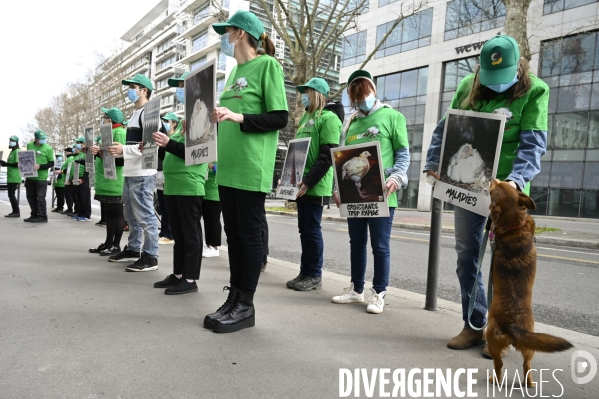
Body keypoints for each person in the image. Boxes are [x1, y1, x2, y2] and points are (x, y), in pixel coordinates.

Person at [423, 35, 549, 357]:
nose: (493, 86)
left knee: (506, 265)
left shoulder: (535, 91)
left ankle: (501, 330)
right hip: (469, 186)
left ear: (517, 68)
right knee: (467, 254)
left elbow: (532, 146)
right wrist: (432, 164)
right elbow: (444, 129)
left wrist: (516, 182)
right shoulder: (468, 84)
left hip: (508, 193)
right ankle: (475, 324)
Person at [205, 10, 288, 333]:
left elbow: (279, 117)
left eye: (226, 32)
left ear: (240, 33)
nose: (223, 38)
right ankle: (235, 297)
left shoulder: (267, 65)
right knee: (234, 236)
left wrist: (239, 118)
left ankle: (246, 304)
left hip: (251, 167)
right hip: (227, 167)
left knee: (249, 235)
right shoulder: (233, 74)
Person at [331, 70, 409, 314]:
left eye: (364, 94)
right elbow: (341, 157)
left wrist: (396, 177)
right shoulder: (350, 123)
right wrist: (337, 188)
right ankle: (356, 290)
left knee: (380, 245)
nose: (361, 100)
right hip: (354, 195)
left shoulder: (393, 117)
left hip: (383, 194)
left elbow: (403, 155)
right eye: (356, 97)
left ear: (373, 90)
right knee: (356, 243)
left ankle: (379, 293)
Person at [284, 78, 344, 291]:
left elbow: (328, 155)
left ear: (317, 94)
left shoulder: (328, 119)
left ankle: (314, 274)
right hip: (300, 184)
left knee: (311, 230)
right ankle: (305, 271)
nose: (303, 96)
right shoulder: (306, 118)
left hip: (314, 185)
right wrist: (289, 179)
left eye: (306, 92)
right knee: (304, 230)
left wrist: (308, 181)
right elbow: (297, 151)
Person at [107, 74, 159, 272]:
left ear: (144, 90)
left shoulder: (149, 112)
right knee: (131, 215)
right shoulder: (136, 113)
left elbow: (150, 144)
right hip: (132, 172)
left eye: (133, 87)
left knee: (145, 215)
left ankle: (151, 256)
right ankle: (134, 249)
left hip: (143, 172)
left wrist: (123, 150)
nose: (129, 90)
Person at [152, 116, 208, 295]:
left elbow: (195, 154)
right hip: (173, 186)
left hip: (189, 186)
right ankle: (178, 274)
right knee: (179, 234)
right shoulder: (178, 132)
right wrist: (157, 148)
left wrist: (169, 143)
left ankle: (190, 279)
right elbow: (170, 153)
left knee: (191, 234)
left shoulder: (202, 129)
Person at [89, 107, 127, 256]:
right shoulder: (106, 134)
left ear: (110, 120)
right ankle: (108, 242)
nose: (102, 119)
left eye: (104, 117)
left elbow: (122, 159)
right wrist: (97, 153)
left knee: (116, 214)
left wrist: (101, 154)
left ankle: (115, 245)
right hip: (105, 181)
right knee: (109, 215)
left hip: (115, 182)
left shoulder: (120, 133)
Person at [157, 111, 180, 246]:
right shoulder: (163, 138)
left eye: (167, 121)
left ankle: (169, 233)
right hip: (160, 174)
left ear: (174, 123)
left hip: (170, 176)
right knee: (162, 205)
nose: (164, 123)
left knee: (168, 207)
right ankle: (164, 231)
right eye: (163, 121)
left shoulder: (176, 138)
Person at [24, 130, 54, 223]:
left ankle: (43, 216)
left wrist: (40, 166)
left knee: (40, 197)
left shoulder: (48, 148)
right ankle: (34, 215)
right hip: (30, 176)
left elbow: (51, 163)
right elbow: (27, 157)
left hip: (41, 178)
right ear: (36, 139)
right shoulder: (29, 145)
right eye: (41, 139)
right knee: (30, 196)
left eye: (44, 138)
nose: (43, 140)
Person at [202, 161, 222, 258]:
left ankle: (215, 247)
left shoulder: (218, 154)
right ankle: (208, 245)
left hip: (215, 194)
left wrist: (213, 167)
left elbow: (224, 170)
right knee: (206, 220)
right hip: (204, 193)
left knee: (214, 221)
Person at [71, 136, 92, 222]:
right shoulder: (79, 154)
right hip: (77, 177)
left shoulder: (87, 153)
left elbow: (88, 167)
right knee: (78, 197)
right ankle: (80, 213)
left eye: (80, 143)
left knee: (84, 197)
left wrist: (83, 179)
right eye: (77, 143)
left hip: (85, 178)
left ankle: (86, 215)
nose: (78, 145)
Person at [1, 135, 21, 217]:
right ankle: (15, 211)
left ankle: (16, 212)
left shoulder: (17, 151)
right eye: (10, 140)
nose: (10, 142)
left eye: (12, 140)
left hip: (14, 176)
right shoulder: (12, 152)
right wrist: (4, 163)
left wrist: (6, 164)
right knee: (11, 194)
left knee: (11, 194)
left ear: (16, 142)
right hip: (11, 176)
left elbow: (17, 164)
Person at [61, 148, 75, 217]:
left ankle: (70, 209)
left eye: (65, 152)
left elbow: (69, 169)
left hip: (68, 180)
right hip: (67, 179)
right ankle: (69, 209)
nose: (64, 153)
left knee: (69, 196)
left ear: (67, 152)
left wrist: (69, 180)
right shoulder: (70, 158)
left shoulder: (70, 158)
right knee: (68, 195)